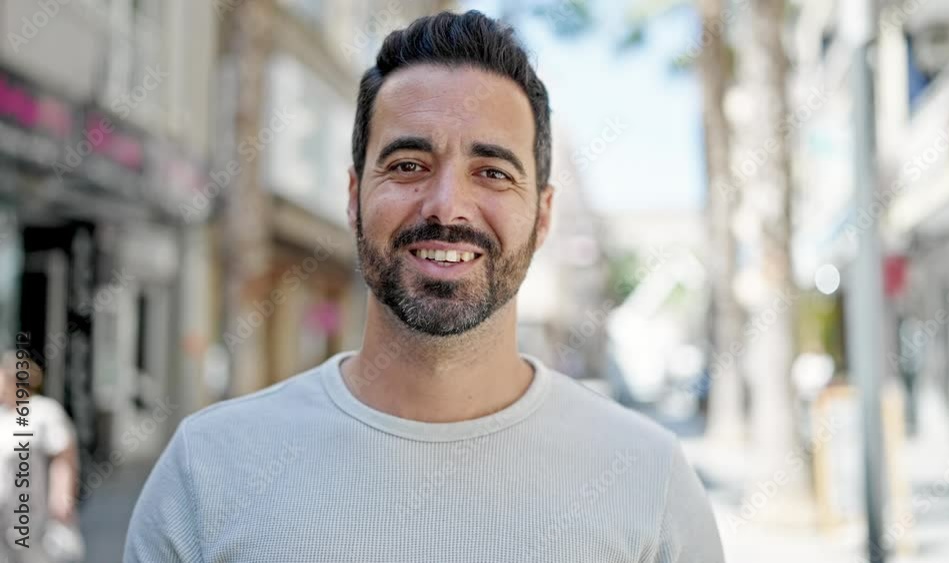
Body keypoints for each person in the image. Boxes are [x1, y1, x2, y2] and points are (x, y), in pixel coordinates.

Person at [125, 10, 724, 562]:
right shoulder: (207, 469)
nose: (447, 206)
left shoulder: (649, 481)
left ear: (542, 216)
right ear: (355, 197)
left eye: (491, 172)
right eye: (409, 165)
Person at [0, 351, 81, 563]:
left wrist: (62, 497)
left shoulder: (44, 412)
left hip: (34, 512)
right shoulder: (2, 415)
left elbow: (63, 455)